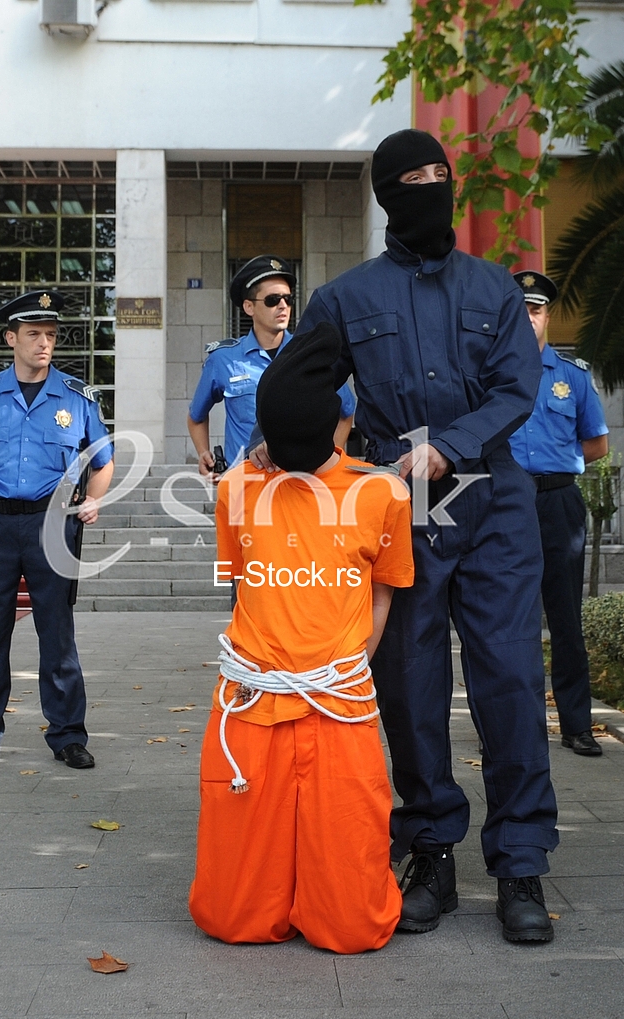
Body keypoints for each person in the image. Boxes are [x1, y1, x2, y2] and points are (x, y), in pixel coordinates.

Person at [251, 130, 559, 943]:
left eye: (440, 175)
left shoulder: (493, 290)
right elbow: (300, 380)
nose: (431, 187)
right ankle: (430, 853)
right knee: (409, 685)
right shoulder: (347, 298)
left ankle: (520, 862)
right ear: (388, 192)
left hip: (490, 502)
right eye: (414, 178)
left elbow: (515, 386)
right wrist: (274, 436)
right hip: (395, 511)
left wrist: (449, 446)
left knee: (511, 683)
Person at [188, 322, 414, 954]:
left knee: (352, 927)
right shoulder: (237, 488)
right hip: (251, 703)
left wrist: (346, 664)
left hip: (336, 702)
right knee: (234, 919)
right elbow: (243, 581)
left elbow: (385, 588)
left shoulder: (380, 492)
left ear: (337, 428)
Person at [0, 290, 114, 771]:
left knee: (57, 633)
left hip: (51, 525)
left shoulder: (77, 398)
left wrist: (95, 497)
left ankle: (67, 736)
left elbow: (102, 460)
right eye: (34, 334)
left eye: (51, 335)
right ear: (11, 338)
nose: (44, 344)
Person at [509, 270, 609, 757]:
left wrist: (556, 466)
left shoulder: (573, 377)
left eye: (537, 309)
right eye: (521, 308)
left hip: (558, 502)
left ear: (547, 316)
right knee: (510, 617)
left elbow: (596, 443)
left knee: (565, 618)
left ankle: (576, 724)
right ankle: (514, 725)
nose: (529, 317)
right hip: (505, 505)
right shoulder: (491, 375)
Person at [187, 254, 355, 475]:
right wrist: (204, 454)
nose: (283, 306)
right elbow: (196, 416)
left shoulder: (308, 355)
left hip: (298, 484)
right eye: (272, 300)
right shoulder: (223, 359)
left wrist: (328, 463)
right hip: (246, 484)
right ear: (249, 307)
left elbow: (347, 412)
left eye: (288, 299)